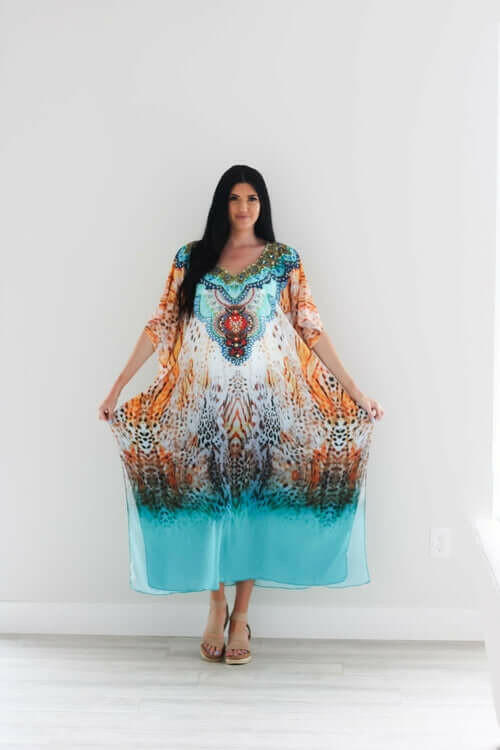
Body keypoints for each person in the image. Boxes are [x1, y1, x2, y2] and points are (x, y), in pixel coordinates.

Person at [98, 164, 384, 665]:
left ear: (262, 205)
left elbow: (311, 327)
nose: (244, 207)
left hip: (264, 408)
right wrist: (118, 386)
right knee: (209, 503)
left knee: (251, 507)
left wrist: (355, 392)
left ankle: (242, 615)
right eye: (235, 198)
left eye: (252, 198)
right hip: (201, 407)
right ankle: (216, 605)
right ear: (222, 204)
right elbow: (161, 322)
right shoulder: (191, 258)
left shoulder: (283, 260)